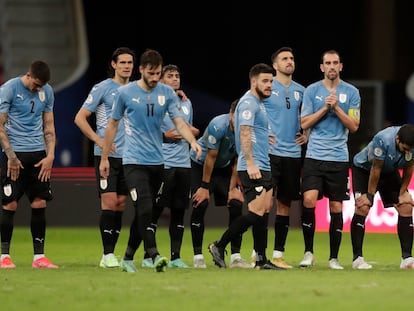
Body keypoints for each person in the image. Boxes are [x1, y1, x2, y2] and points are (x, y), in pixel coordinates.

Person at [99, 48, 201, 273]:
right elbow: (112, 125)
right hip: (133, 161)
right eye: (151, 73)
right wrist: (104, 157)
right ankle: (153, 254)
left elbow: (179, 122)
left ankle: (127, 258)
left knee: (145, 211)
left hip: (158, 162)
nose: (155, 78)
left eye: (158, 74)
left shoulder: (167, 93)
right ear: (141, 70)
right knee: (144, 206)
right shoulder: (125, 93)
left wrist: (192, 141)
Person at [208, 63, 283, 270]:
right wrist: (249, 163)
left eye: (271, 82)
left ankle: (261, 260)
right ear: (253, 81)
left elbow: (251, 130)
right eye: (265, 81)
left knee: (264, 210)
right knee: (257, 211)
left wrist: (262, 136)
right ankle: (219, 244)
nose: (269, 85)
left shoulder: (258, 103)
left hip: (262, 163)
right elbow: (243, 132)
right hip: (253, 165)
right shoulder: (249, 102)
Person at [74, 47, 135, 269]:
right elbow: (80, 118)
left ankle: (112, 253)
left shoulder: (136, 90)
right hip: (106, 156)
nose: (127, 66)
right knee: (108, 202)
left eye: (130, 63)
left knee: (120, 204)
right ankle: (107, 254)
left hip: (130, 157)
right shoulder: (102, 88)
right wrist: (100, 143)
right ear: (114, 64)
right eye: (123, 63)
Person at [299, 49, 361, 269]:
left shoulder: (352, 92)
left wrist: (337, 108)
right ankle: (308, 252)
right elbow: (304, 123)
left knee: (336, 206)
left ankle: (334, 258)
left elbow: (354, 126)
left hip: (338, 157)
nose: (332, 66)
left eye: (336, 62)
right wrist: (326, 108)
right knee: (308, 200)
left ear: (341, 66)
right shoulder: (312, 91)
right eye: (328, 63)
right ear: (322, 67)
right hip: (315, 155)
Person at [251, 47, 307, 269]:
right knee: (264, 205)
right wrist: (260, 134)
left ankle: (278, 254)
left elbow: (308, 117)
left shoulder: (302, 91)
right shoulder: (266, 85)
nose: (289, 61)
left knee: (285, 205)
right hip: (269, 154)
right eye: (284, 59)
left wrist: (307, 135)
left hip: (293, 154)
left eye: (292, 58)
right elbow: (248, 111)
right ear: (275, 65)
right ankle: (258, 253)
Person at [141, 64, 200, 269]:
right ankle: (148, 255)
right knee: (155, 211)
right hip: (163, 163)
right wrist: (164, 135)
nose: (175, 79)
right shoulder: (156, 101)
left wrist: (191, 133)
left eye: (177, 75)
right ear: (162, 80)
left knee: (178, 212)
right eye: (170, 76)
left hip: (183, 164)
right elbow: (147, 130)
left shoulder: (186, 103)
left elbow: (189, 128)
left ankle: (175, 257)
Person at [0, 60, 58, 268]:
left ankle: (39, 258)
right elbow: (0, 125)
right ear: (28, 75)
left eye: (41, 86)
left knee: (39, 202)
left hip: (39, 155)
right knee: (10, 203)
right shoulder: (8, 89)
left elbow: (49, 125)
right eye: (36, 84)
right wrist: (11, 156)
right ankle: (4, 256)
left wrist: (51, 155)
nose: (38, 89)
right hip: (14, 155)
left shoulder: (47, 91)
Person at [190, 98, 250, 269]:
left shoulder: (245, 129)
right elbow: (210, 158)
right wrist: (204, 187)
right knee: (200, 203)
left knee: (237, 204)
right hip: (201, 164)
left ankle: (236, 256)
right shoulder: (218, 125)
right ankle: (197, 256)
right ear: (231, 114)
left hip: (224, 167)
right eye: (237, 115)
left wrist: (233, 188)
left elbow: (239, 159)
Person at [351, 124, 414, 269]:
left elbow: (409, 167)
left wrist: (403, 192)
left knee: (405, 207)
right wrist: (370, 196)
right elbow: (376, 168)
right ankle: (357, 259)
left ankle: (407, 259)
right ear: (397, 139)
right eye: (405, 148)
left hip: (389, 172)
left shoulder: (411, 144)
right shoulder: (383, 139)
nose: (407, 152)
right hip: (365, 170)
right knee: (363, 207)